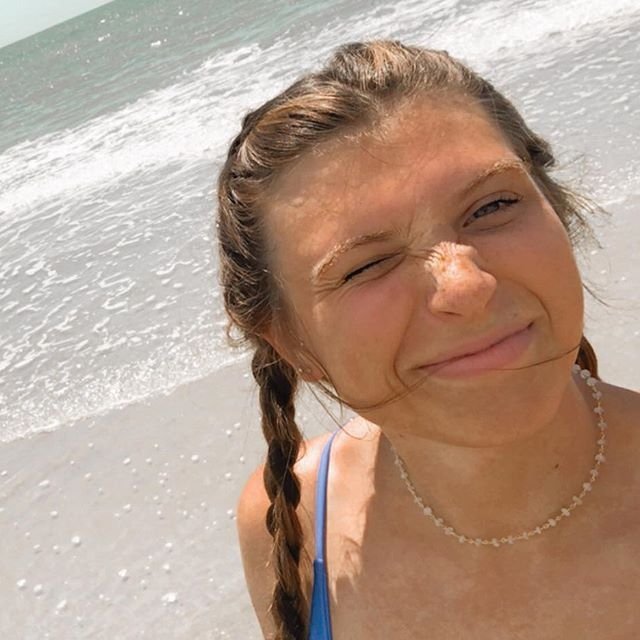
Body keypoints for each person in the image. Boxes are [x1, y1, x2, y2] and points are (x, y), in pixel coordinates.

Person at [216, 40, 640, 640]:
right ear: (291, 344)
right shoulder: (293, 516)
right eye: (368, 265)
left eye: (492, 206)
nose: (464, 286)